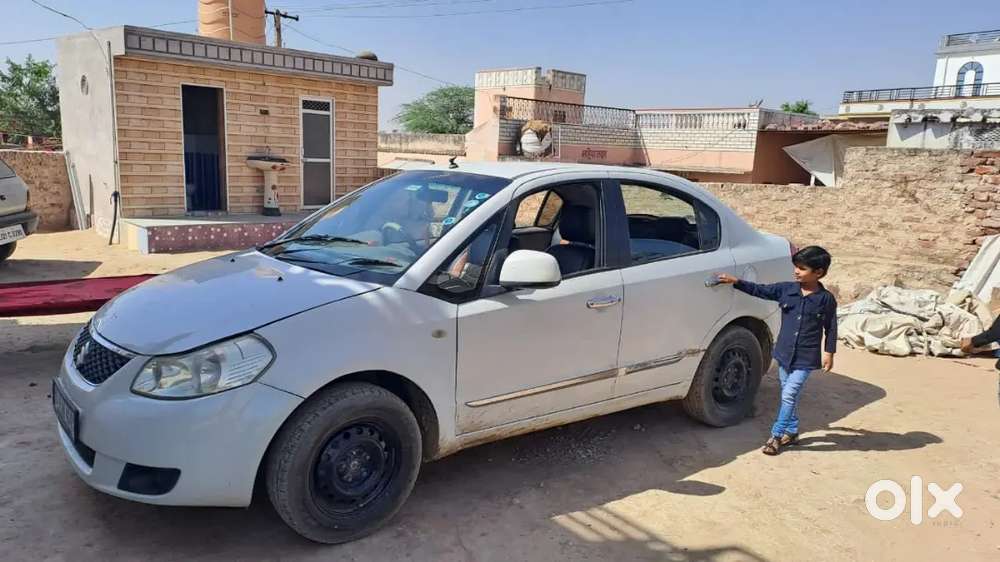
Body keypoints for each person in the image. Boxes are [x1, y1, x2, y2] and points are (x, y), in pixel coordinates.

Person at [716, 246, 837, 456]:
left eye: (802, 268)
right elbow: (761, 290)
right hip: (784, 354)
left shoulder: (826, 300)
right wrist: (736, 281)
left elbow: (831, 327)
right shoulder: (786, 290)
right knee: (788, 393)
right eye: (796, 267)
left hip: (806, 357)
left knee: (789, 394)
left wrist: (829, 352)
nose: (796, 271)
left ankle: (776, 436)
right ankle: (792, 431)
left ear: (818, 272)